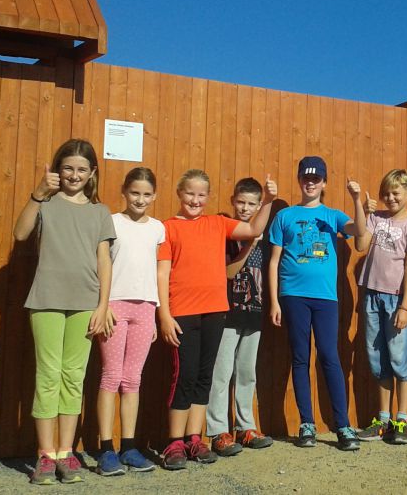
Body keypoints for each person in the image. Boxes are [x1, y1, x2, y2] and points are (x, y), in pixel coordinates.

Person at [157, 169, 277, 470]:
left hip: (214, 312)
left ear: (208, 197)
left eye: (201, 195)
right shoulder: (168, 228)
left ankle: (194, 439)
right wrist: (164, 314)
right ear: (179, 193)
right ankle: (174, 442)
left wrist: (268, 200)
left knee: (203, 377)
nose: (195, 200)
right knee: (184, 377)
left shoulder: (217, 223)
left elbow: (253, 230)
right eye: (190, 193)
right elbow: (161, 273)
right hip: (182, 313)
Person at [13, 139, 116, 485]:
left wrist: (103, 305)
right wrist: (37, 193)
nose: (74, 175)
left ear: (92, 173)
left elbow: (104, 260)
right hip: (46, 300)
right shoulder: (46, 203)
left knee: (73, 376)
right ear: (58, 169)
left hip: (86, 304)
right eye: (68, 168)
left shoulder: (100, 212)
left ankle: (65, 453)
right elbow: (20, 233)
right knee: (48, 375)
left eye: (81, 169)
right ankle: (45, 454)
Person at [267, 156, 367, 452]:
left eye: (316, 179)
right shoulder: (284, 216)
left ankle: (343, 425)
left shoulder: (332, 215)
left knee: (329, 356)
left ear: (324, 183)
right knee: (300, 358)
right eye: (306, 178)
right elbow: (273, 262)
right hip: (293, 296)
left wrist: (357, 199)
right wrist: (274, 301)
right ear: (299, 180)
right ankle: (306, 424)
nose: (310, 183)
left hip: (326, 298)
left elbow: (359, 231)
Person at [95, 168, 164, 476]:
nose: (140, 199)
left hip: (145, 309)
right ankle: (105, 449)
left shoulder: (158, 229)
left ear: (154, 196)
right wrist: (102, 305)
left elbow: (156, 270)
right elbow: (100, 263)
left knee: (133, 379)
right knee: (111, 376)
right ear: (124, 191)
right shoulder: (111, 222)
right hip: (114, 306)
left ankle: (129, 447)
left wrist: (155, 313)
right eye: (135, 192)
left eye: (147, 194)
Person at [353, 169, 407, 445]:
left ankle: (402, 420)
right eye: (387, 193)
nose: (391, 198)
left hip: (397, 300)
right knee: (378, 359)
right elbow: (360, 244)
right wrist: (363, 210)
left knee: (400, 358)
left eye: (396, 193)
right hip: (372, 296)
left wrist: (405, 307)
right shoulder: (376, 218)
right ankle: (383, 420)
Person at [207, 178, 275, 457]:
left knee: (247, 373)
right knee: (221, 374)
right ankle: (218, 431)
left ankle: (245, 427)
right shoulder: (226, 233)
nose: (245, 208)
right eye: (241, 202)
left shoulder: (264, 238)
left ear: (259, 206)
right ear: (232, 201)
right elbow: (229, 272)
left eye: (251, 204)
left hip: (253, 312)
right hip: (227, 312)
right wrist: (249, 245)